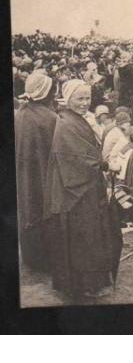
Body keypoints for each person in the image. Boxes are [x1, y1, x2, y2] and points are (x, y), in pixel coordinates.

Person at [44, 80, 122, 299]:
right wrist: (105, 165)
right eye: (79, 98)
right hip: (76, 192)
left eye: (87, 98)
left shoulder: (75, 119)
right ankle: (83, 286)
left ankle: (88, 283)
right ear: (68, 99)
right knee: (84, 239)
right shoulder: (67, 123)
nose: (84, 103)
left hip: (84, 187)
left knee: (88, 238)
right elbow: (78, 158)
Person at [15, 71, 58, 272]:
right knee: (44, 210)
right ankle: (46, 260)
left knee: (27, 208)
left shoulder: (21, 113)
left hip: (24, 173)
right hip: (44, 173)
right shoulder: (49, 118)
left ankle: (31, 258)